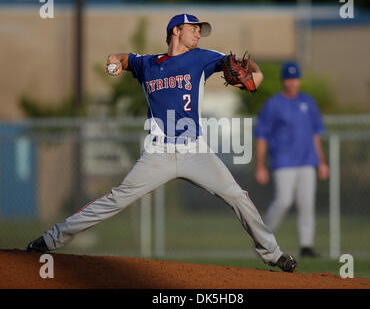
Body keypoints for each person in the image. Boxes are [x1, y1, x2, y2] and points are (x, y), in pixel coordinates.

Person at [27, 14, 297, 272]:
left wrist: (254, 75)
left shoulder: (204, 58)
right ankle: (52, 239)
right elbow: (123, 58)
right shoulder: (147, 64)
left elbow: (246, 71)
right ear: (176, 30)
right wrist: (114, 61)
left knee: (237, 196)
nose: (198, 33)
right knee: (116, 199)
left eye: (201, 30)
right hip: (159, 152)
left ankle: (273, 254)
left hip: (196, 151)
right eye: (194, 28)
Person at [254, 61, 329, 258]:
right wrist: (260, 166)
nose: (292, 83)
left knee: (307, 203)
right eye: (289, 79)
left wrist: (321, 161)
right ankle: (262, 238)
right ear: (283, 81)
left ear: (299, 80)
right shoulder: (274, 104)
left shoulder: (308, 102)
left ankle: (306, 246)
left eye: (295, 79)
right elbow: (262, 136)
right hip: (283, 162)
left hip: (307, 161)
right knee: (284, 201)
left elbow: (315, 134)